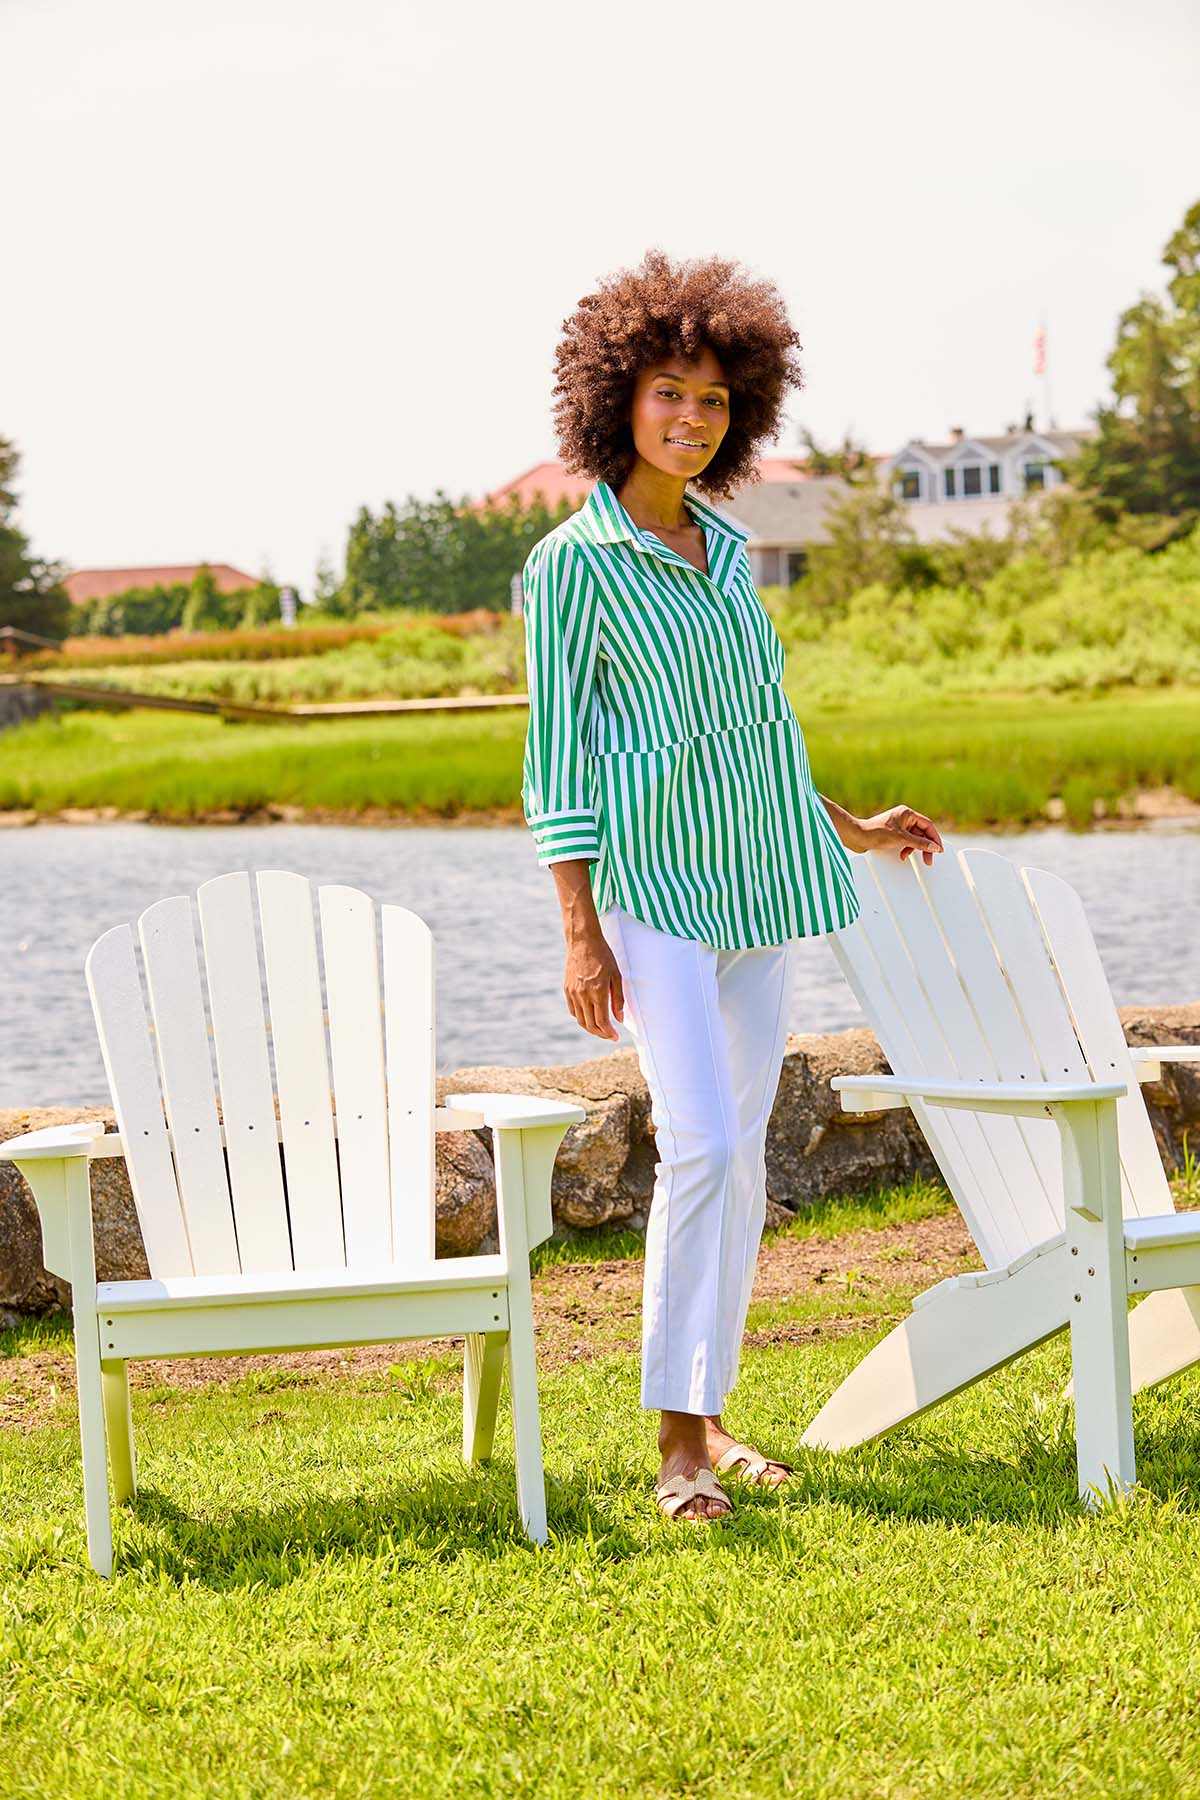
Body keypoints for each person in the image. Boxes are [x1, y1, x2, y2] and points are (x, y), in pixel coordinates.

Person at [520, 248, 945, 1522]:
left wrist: (853, 828)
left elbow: (760, 729)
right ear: (617, 403)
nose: (691, 419)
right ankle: (675, 1451)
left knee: (744, 1162)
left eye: (711, 401)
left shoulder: (731, 548)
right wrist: (580, 934)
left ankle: (710, 1414)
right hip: (653, 896)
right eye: (668, 395)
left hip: (759, 883)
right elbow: (556, 766)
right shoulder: (571, 565)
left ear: (738, 410)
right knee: (700, 1146)